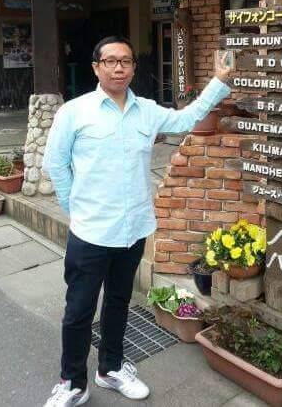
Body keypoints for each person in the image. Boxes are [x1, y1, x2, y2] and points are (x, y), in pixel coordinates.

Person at [42, 35, 232, 406]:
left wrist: (219, 82)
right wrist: (74, 208)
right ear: (96, 67)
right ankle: (72, 382)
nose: (118, 68)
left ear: (133, 67)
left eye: (126, 61)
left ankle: (110, 368)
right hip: (91, 233)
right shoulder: (74, 112)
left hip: (133, 231)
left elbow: (186, 119)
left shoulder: (146, 110)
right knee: (79, 311)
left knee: (118, 301)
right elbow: (56, 164)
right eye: (110, 61)